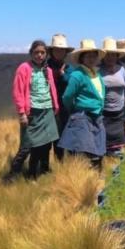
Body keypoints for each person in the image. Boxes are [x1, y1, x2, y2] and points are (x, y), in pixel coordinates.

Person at [5, 40, 60, 182]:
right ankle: (12, 175)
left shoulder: (47, 70)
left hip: (47, 111)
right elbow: (18, 91)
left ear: (46, 54)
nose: (39, 55)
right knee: (27, 144)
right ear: (31, 53)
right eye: (36, 52)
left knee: (45, 144)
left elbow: (51, 89)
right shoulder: (24, 68)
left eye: (42, 52)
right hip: (32, 113)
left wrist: (55, 106)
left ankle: (37, 173)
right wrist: (22, 113)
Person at [58, 39, 106, 170]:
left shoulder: (96, 74)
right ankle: (83, 184)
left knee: (98, 151)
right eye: (88, 55)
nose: (91, 58)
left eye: (93, 55)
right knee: (86, 152)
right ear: (81, 57)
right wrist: (74, 110)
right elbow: (67, 96)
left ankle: (97, 182)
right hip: (83, 118)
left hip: (97, 118)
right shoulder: (77, 75)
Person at [100, 37, 125, 157]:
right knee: (104, 139)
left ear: (117, 56)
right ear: (103, 56)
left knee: (119, 138)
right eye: (108, 55)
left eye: (113, 55)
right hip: (104, 112)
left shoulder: (122, 70)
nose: (111, 57)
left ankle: (118, 160)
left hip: (120, 111)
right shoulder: (98, 71)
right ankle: (105, 160)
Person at [48, 33, 74, 162]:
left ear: (65, 53)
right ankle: (58, 163)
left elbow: (72, 82)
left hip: (65, 108)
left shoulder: (69, 69)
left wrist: (63, 75)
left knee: (67, 134)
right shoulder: (45, 68)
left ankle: (68, 164)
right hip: (48, 107)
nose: (59, 52)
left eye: (62, 50)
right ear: (52, 51)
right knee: (54, 137)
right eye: (57, 50)